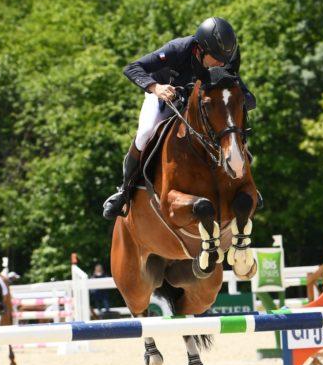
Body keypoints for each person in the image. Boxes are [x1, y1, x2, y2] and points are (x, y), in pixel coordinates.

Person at [102, 17, 256, 220]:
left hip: (198, 107)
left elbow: (248, 98)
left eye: (224, 61)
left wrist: (238, 100)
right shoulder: (178, 49)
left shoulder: (223, 61)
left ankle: (243, 185)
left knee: (228, 130)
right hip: (163, 97)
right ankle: (125, 190)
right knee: (146, 132)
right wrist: (155, 87)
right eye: (217, 59)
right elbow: (132, 68)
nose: (221, 64)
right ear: (200, 49)